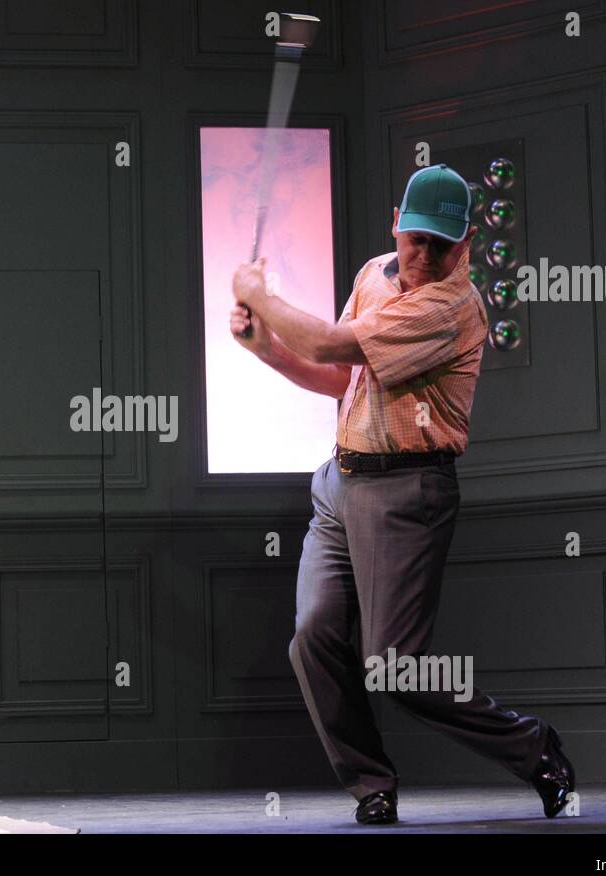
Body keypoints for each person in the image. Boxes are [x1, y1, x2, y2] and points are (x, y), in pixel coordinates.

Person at [230, 164, 575, 824]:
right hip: (340, 482)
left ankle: (533, 746)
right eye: (416, 238)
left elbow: (333, 340)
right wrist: (265, 349)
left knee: (395, 667)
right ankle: (371, 785)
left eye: (442, 244)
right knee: (313, 636)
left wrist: (261, 296)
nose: (425, 255)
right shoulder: (371, 274)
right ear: (397, 222)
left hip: (408, 492)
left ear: (467, 241)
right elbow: (339, 376)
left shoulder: (451, 307)